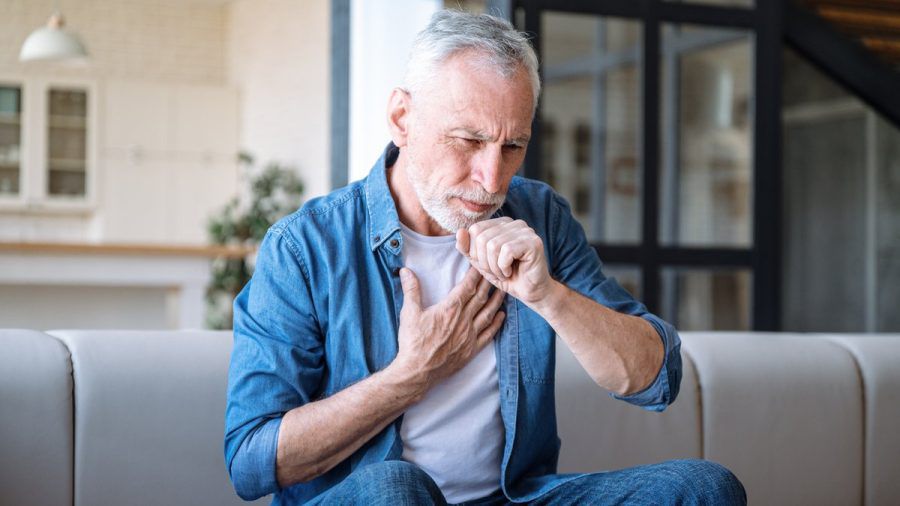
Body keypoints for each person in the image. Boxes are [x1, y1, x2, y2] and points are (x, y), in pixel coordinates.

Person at [225, 10, 746, 505]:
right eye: (469, 140)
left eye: (512, 146)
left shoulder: (538, 216)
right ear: (402, 118)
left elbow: (656, 380)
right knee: (394, 489)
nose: (493, 180)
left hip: (509, 497)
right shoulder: (305, 247)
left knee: (704, 489)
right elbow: (251, 462)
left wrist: (550, 296)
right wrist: (410, 376)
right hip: (378, 499)